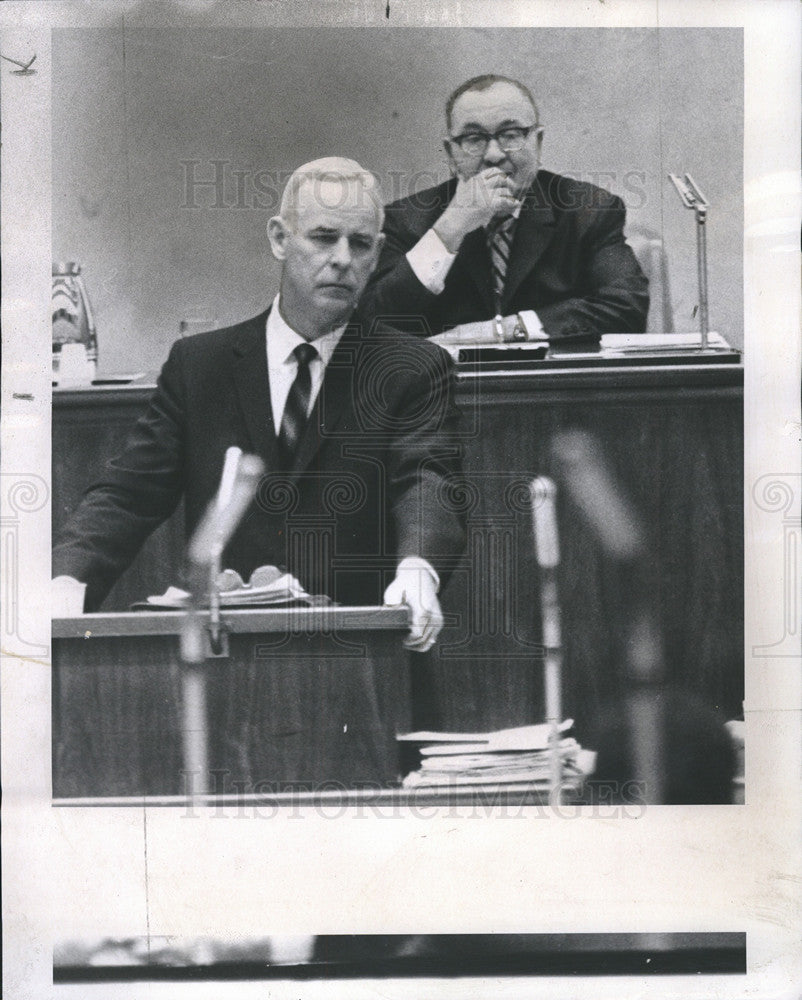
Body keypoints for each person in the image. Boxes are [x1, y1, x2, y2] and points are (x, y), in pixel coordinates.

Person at [52, 158, 466, 652]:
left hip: (360, 660)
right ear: (278, 239)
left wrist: (418, 572)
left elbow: (429, 481)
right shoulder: (199, 365)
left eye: (359, 244)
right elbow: (127, 494)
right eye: (323, 237)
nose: (341, 259)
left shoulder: (414, 368)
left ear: (377, 255)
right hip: (228, 659)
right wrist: (66, 581)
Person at [358, 74, 649, 340]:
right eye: (473, 139)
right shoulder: (404, 219)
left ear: (538, 142)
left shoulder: (589, 210)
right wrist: (451, 228)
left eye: (510, 135)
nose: (493, 155)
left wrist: (503, 330)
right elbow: (371, 324)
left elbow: (626, 308)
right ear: (450, 153)